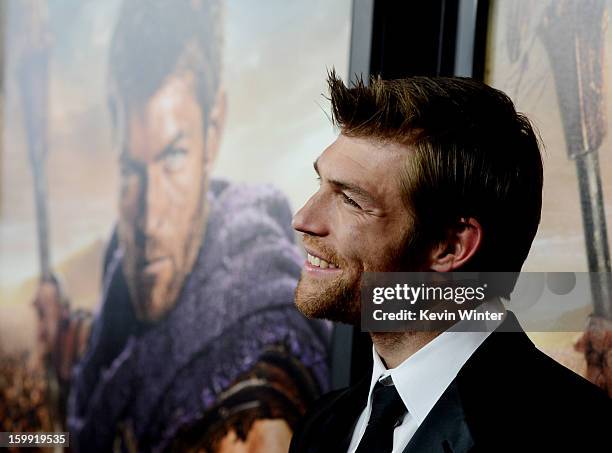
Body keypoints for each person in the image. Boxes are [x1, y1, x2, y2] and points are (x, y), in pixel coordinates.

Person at [34, 1, 330, 451]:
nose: (150, 218)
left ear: (213, 129)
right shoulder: (118, 313)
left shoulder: (255, 407)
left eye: (173, 157)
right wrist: (59, 373)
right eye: (132, 170)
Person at [288, 72, 612, 452]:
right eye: (320, 185)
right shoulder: (323, 426)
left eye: (351, 200)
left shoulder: (574, 434)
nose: (303, 219)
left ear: (451, 247)